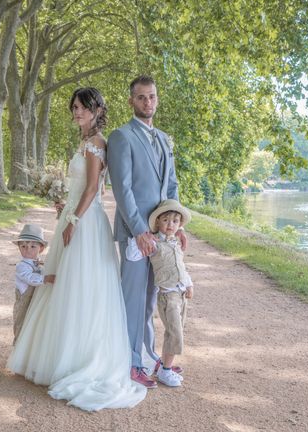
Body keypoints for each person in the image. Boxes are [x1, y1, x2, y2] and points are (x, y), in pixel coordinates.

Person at [7, 87, 146, 411]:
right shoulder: (84, 143)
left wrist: (73, 220)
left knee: (80, 286)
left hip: (86, 223)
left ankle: (78, 359)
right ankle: (57, 356)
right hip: (75, 215)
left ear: (97, 109)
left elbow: (94, 188)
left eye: (82, 107)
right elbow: (81, 188)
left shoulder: (97, 144)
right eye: (74, 108)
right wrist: (66, 207)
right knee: (63, 283)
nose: (77, 113)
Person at [107, 75, 186, 389]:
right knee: (134, 298)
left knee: (153, 298)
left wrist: (176, 226)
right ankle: (130, 362)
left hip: (161, 235)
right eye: (141, 97)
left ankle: (149, 355)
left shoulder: (165, 139)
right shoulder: (121, 137)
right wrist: (140, 230)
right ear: (131, 101)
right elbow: (122, 189)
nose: (147, 103)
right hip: (135, 233)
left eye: (152, 96)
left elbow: (171, 186)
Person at [126, 199, 193, 387]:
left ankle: (165, 365)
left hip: (180, 293)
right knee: (175, 333)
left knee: (177, 330)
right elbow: (133, 255)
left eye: (175, 221)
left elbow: (181, 266)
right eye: (166, 220)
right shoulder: (155, 244)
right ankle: (165, 371)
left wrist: (189, 284)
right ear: (157, 223)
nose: (170, 224)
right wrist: (138, 237)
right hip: (167, 295)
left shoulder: (176, 243)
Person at [10, 224, 54, 345]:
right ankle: (18, 345)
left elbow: (40, 271)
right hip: (24, 302)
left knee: (33, 324)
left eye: (33, 246)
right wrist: (46, 279)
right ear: (19, 248)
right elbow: (29, 278)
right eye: (23, 246)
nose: (28, 249)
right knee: (21, 323)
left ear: (41, 248)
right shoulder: (21, 266)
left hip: (34, 300)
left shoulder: (38, 264)